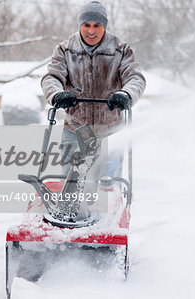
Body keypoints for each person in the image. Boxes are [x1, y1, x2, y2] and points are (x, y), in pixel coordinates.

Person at [41, 0, 146, 177]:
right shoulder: (65, 50)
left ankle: (111, 199)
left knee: (107, 181)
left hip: (110, 130)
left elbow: (135, 78)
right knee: (71, 180)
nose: (91, 30)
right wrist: (57, 94)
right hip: (75, 128)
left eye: (97, 25)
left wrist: (125, 94)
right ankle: (70, 204)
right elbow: (52, 77)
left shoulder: (120, 50)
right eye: (86, 25)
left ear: (104, 25)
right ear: (80, 25)